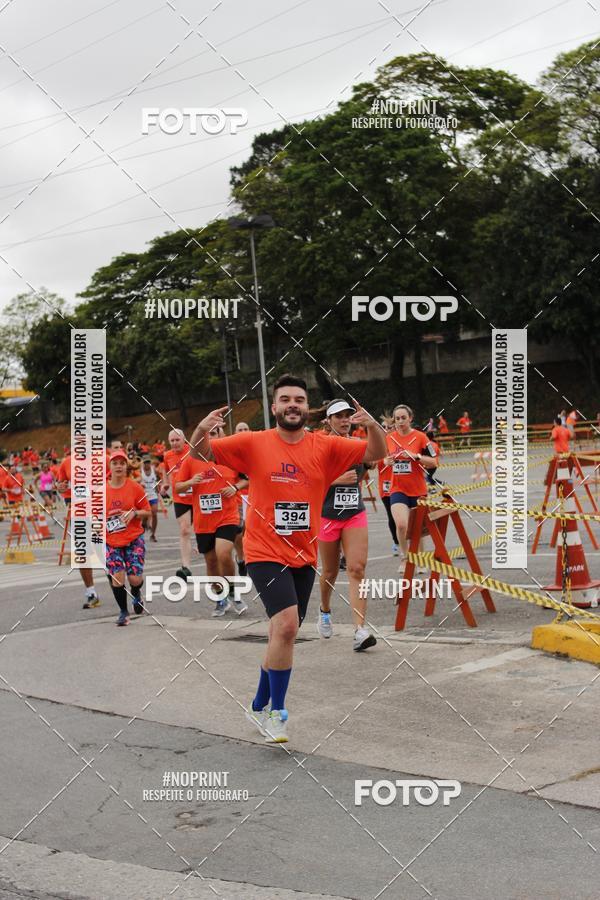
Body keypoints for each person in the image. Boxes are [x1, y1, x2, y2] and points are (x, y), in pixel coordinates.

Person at [189, 374, 386, 743]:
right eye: (285, 399)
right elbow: (201, 452)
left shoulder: (325, 446)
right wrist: (201, 428)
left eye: (298, 399)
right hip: (263, 551)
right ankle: (277, 714)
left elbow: (376, 454)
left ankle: (258, 702)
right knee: (286, 627)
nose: (292, 404)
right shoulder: (253, 442)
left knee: (282, 633)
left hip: (303, 554)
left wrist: (373, 426)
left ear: (306, 408)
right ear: (275, 406)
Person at [317, 399, 376, 651]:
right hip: (328, 515)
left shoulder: (357, 446)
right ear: (328, 421)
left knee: (356, 569)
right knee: (329, 572)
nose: (344, 420)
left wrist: (372, 426)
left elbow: (376, 456)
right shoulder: (320, 447)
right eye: (338, 416)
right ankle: (325, 610)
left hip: (354, 513)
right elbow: (309, 481)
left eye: (347, 416)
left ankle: (360, 630)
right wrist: (335, 480)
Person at [177, 428, 248, 617]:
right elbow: (178, 486)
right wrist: (190, 481)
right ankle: (220, 597)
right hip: (203, 520)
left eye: (217, 432)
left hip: (227, 515)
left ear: (223, 436)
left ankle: (233, 591)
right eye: (210, 433)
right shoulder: (191, 459)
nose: (212, 436)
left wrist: (234, 487)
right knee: (211, 561)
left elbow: (246, 479)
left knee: (224, 553)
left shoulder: (230, 456)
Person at [387, 405, 438, 564]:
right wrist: (386, 461)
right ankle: (405, 558)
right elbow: (382, 459)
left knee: (417, 529)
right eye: (397, 419)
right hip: (397, 488)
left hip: (418, 490)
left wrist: (415, 456)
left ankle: (420, 558)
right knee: (401, 525)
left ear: (410, 418)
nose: (400, 421)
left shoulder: (421, 437)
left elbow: (433, 462)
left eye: (403, 418)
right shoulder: (389, 438)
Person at [105, 449, 151, 626]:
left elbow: (147, 511)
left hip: (133, 538)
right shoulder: (101, 491)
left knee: (134, 579)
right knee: (117, 576)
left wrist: (134, 514)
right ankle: (123, 612)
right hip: (111, 541)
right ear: (110, 466)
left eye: (121, 463)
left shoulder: (135, 487)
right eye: (115, 463)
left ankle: (136, 592)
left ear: (126, 467)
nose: (118, 466)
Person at [162, 429, 194, 580]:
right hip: (180, 497)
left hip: (197, 496)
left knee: (204, 530)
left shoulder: (192, 451)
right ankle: (185, 567)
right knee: (184, 530)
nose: (174, 443)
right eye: (172, 441)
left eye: (177, 440)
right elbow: (165, 468)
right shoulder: (168, 455)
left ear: (184, 440)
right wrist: (166, 483)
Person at [139, 456, 159, 541]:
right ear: (143, 463)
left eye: (148, 462)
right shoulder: (140, 471)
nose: (147, 464)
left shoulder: (154, 469)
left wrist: (158, 488)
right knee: (144, 516)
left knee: (154, 513)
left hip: (153, 494)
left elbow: (158, 479)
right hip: (143, 495)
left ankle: (153, 534)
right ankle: (144, 525)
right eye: (145, 463)